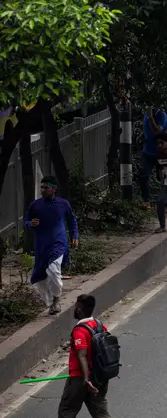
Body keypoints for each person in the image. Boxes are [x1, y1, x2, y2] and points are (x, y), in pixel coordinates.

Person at [25, 176, 78, 315]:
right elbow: (26, 221)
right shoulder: (35, 205)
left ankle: (56, 299)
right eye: (41, 187)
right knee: (41, 277)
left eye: (45, 188)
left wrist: (74, 236)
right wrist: (31, 224)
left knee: (54, 269)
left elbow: (72, 221)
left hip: (59, 242)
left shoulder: (63, 204)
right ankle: (50, 302)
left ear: (53, 189)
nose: (42, 190)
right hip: (42, 244)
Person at [58, 294, 111, 417]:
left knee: (66, 411)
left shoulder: (79, 330)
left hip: (80, 378)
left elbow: (82, 354)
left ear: (79, 309)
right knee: (100, 412)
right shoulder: (99, 325)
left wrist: (86, 379)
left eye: (76, 306)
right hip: (100, 377)